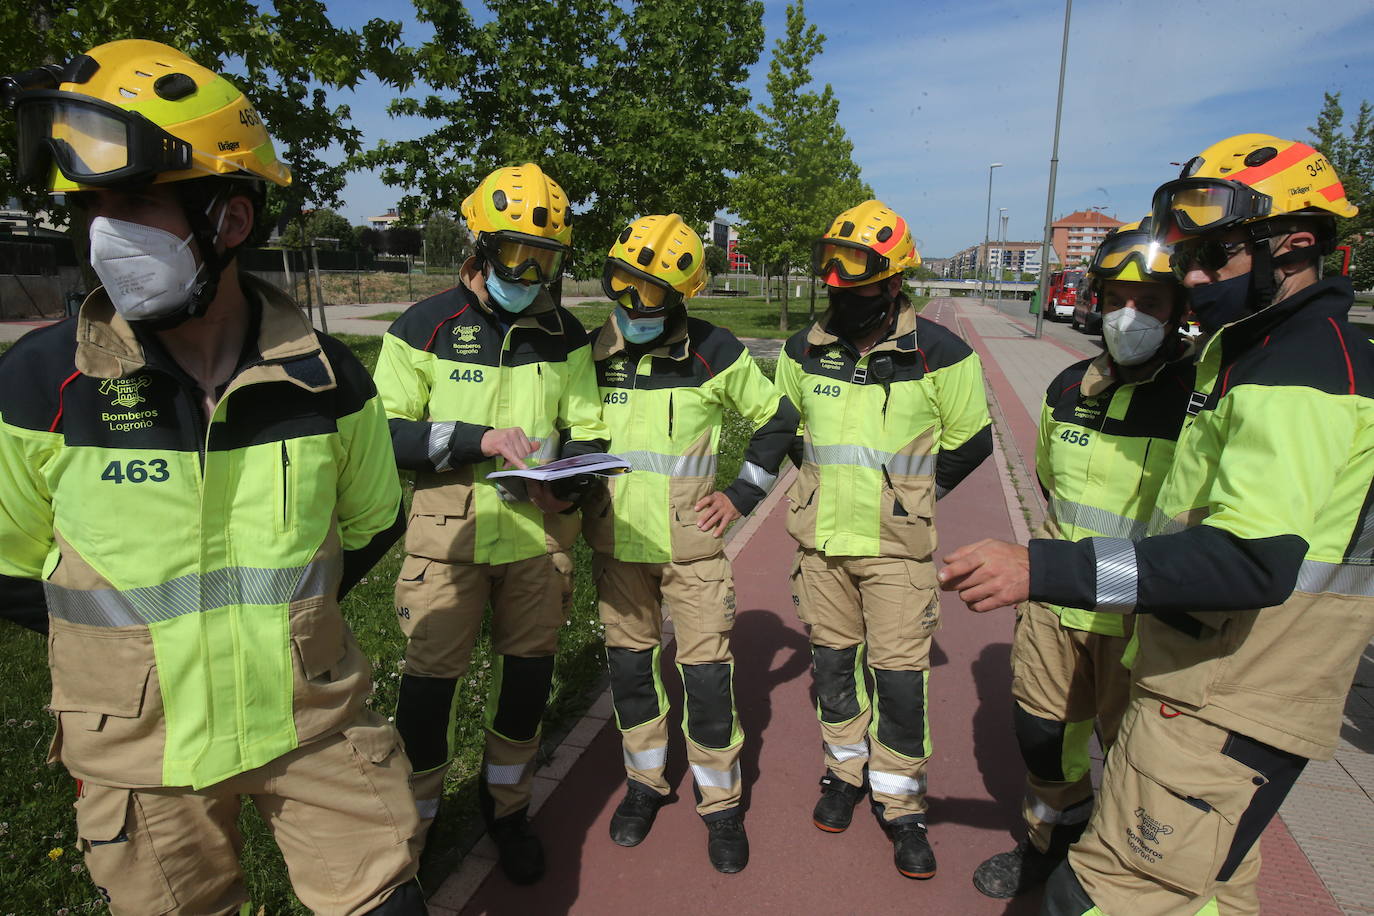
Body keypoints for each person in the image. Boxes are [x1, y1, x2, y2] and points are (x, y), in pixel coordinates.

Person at [0, 40, 423, 913]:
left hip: (317, 728)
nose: (100, 231)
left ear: (229, 220)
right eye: (90, 205)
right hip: (138, 762)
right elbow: (11, 572)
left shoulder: (329, 380)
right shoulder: (41, 386)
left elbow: (372, 527)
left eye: (132, 201)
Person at [940, 133, 1374, 915]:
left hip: (1226, 680)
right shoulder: (1244, 357)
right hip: (1187, 650)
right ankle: (1050, 837)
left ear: (1297, 244)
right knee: (1195, 880)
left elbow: (1249, 560)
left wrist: (1042, 567)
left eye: (1213, 259)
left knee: (1105, 894)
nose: (1198, 280)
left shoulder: (1300, 365)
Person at [372, 162, 608, 885]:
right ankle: (417, 825)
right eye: (515, 255)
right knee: (428, 693)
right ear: (479, 246)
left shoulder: (566, 334)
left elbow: (589, 432)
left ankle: (507, 809)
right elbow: (382, 432)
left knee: (525, 690)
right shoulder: (425, 325)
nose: (530, 271)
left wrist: (568, 488)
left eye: (544, 259)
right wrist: (476, 441)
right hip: (449, 546)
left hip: (539, 544)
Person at [972, 218, 1195, 899]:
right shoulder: (1068, 387)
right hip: (1056, 605)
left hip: (1144, 618)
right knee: (1043, 738)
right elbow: (1050, 483)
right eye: (1118, 300)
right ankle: (1049, 846)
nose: (1130, 317)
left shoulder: (1199, 400)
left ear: (1180, 310)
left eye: (1150, 303)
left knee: (1137, 763)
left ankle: (1114, 873)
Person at [775, 199, 994, 879]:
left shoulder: (942, 352)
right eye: (832, 278)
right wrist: (815, 493)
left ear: (894, 281)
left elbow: (973, 440)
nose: (840, 291)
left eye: (858, 280)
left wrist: (910, 501)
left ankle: (901, 804)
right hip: (821, 549)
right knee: (834, 672)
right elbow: (786, 433)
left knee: (900, 684)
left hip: (897, 554)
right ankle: (844, 773)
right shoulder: (801, 350)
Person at [583, 213, 800, 873]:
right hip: (617, 550)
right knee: (631, 676)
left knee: (707, 681)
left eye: (648, 292)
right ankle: (645, 785)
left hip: (693, 554)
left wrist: (739, 497)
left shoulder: (716, 351)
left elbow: (777, 420)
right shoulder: (593, 352)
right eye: (621, 281)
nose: (629, 302)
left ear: (679, 296)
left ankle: (721, 802)